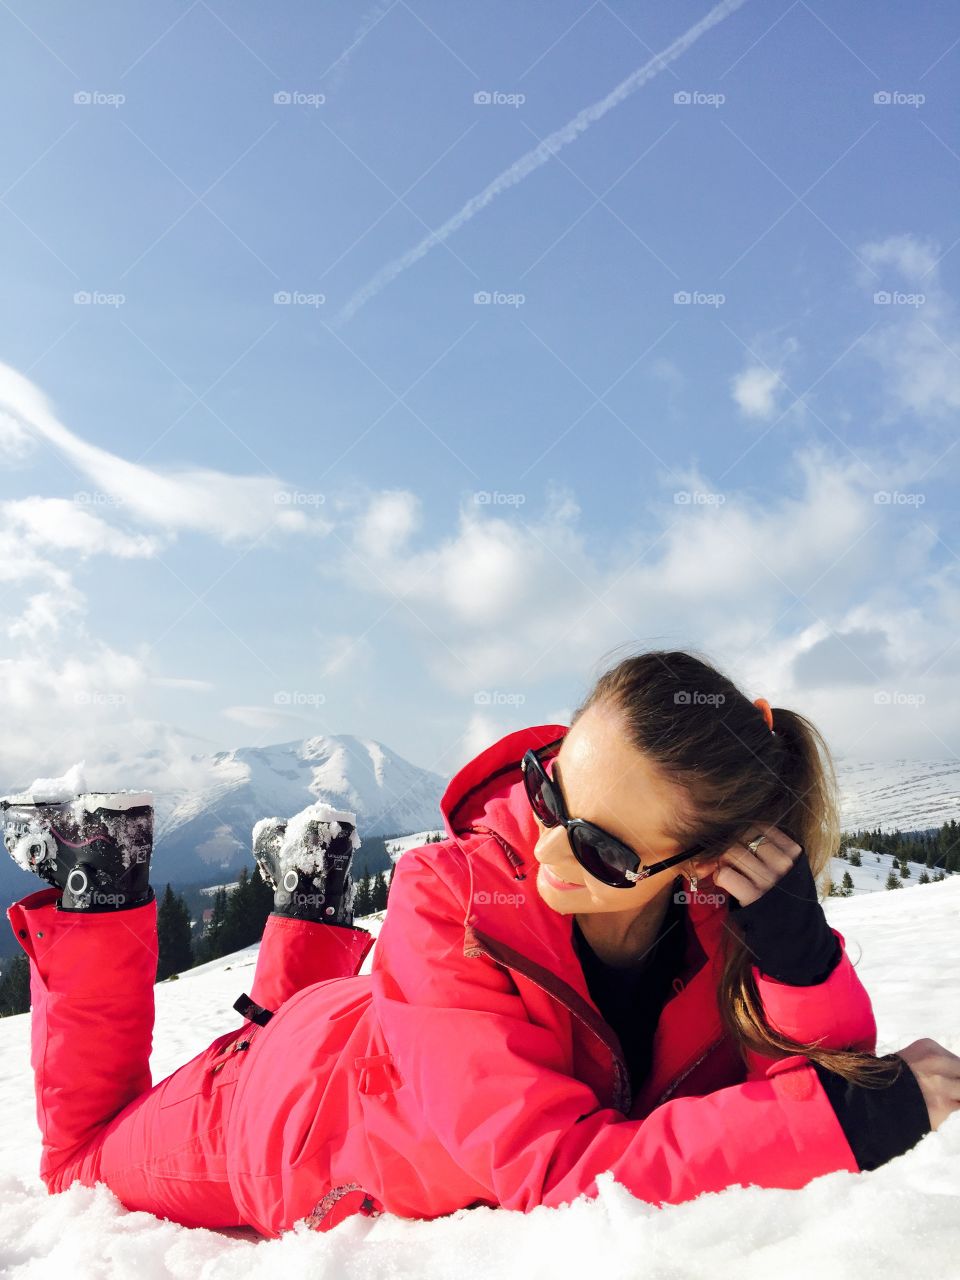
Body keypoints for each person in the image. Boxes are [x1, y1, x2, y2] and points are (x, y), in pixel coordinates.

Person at [4, 647, 959, 1239]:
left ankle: (307, 895)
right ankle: (99, 886)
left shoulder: (722, 928)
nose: (543, 848)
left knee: (285, 1019)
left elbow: (812, 1078)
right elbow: (550, 1168)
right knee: (78, 1158)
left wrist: (799, 957)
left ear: (706, 871)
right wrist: (850, 1123)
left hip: (363, 1037)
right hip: (274, 1122)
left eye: (599, 847)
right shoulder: (444, 897)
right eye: (551, 792)